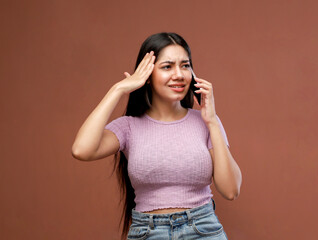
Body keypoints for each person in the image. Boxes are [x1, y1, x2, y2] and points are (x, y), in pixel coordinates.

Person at [72, 32, 242, 240]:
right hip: (148, 232)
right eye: (167, 66)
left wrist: (213, 121)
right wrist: (118, 89)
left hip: (202, 230)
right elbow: (81, 150)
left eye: (185, 65)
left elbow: (231, 190)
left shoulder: (206, 122)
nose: (179, 74)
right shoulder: (128, 127)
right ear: (147, 76)